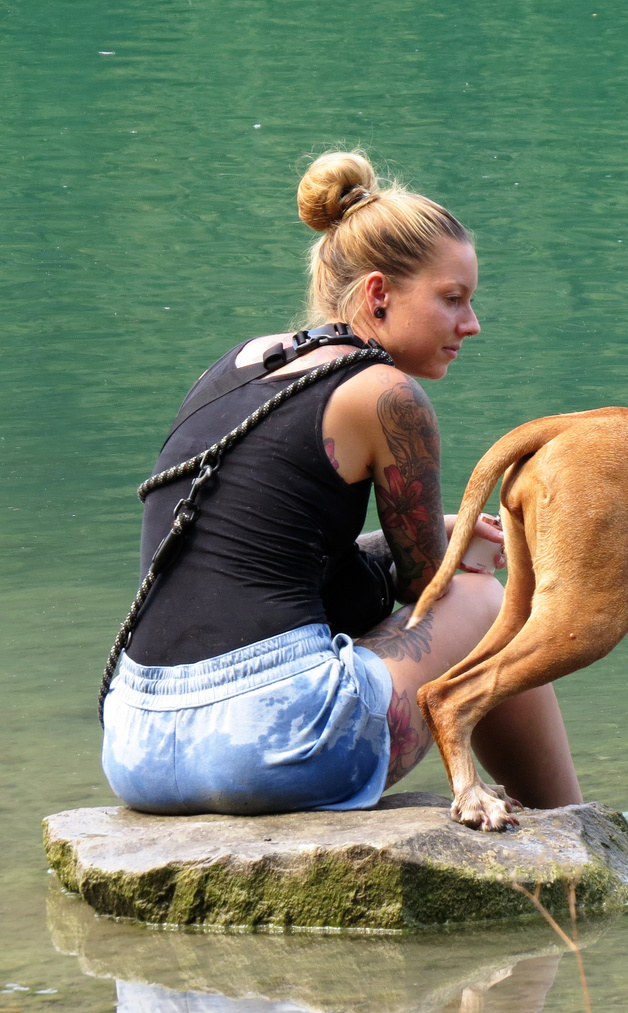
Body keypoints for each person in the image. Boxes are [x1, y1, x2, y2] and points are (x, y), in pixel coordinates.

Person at [101, 150, 581, 819]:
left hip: (137, 749)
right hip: (276, 748)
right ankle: (567, 823)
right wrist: (446, 554)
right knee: (485, 599)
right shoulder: (385, 394)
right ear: (378, 294)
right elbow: (430, 589)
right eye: (452, 301)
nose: (470, 326)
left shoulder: (237, 365)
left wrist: (407, 541)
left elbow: (266, 560)